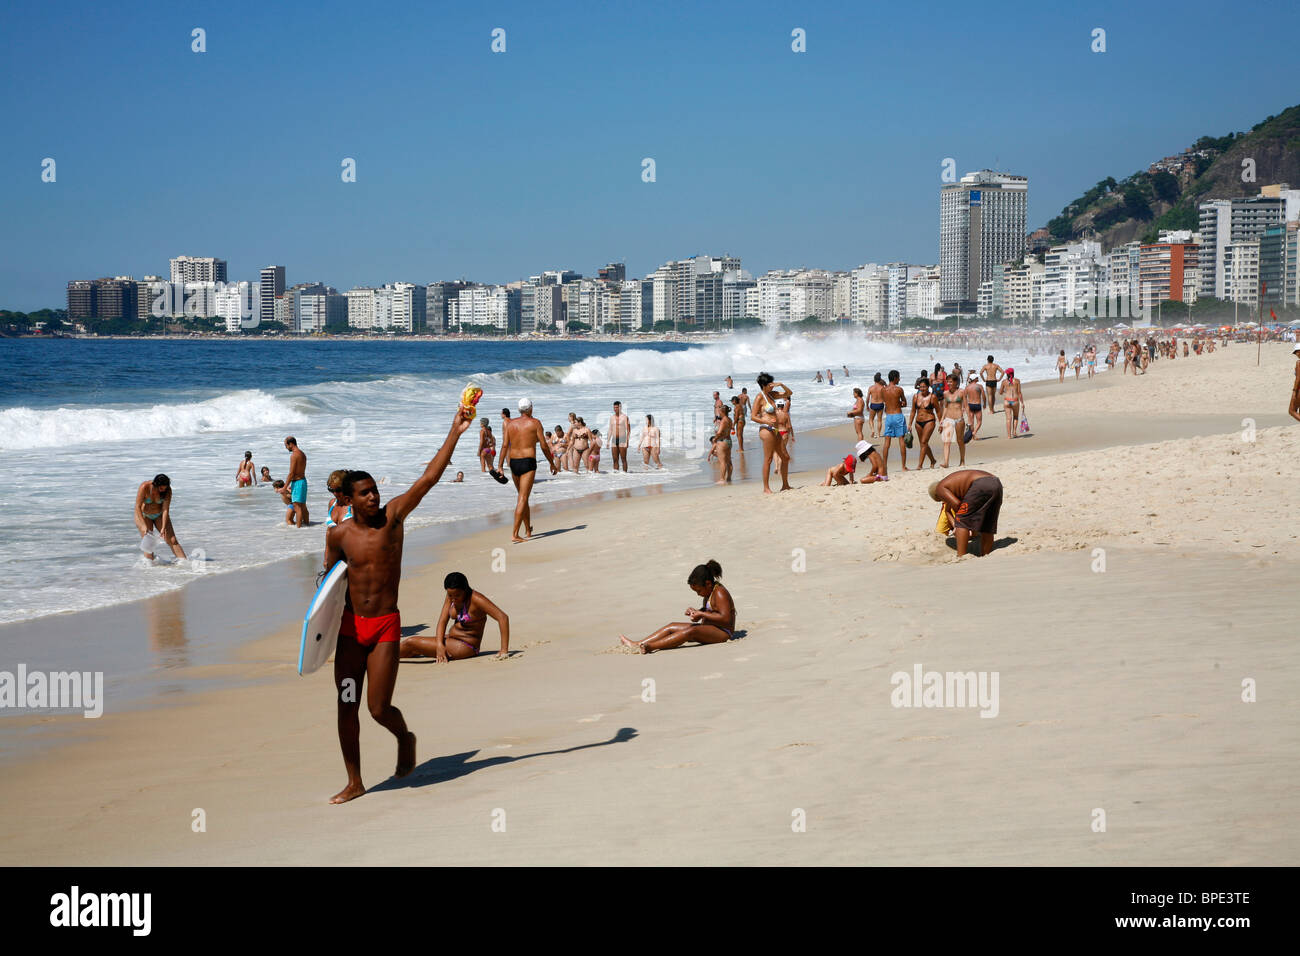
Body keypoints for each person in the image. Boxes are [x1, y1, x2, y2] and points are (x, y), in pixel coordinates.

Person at [322, 405, 474, 804]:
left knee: (377, 708)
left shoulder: (394, 517)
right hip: (351, 631)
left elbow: (429, 478)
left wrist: (455, 432)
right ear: (348, 499)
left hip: (385, 627)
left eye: (375, 489)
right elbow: (329, 585)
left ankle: (404, 736)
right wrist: (319, 632)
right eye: (365, 493)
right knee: (346, 706)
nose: (374, 496)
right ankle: (355, 781)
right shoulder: (338, 536)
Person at [619, 560, 735, 654]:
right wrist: (697, 612)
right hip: (711, 628)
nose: (698, 594)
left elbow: (726, 619)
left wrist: (702, 614)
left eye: (699, 590)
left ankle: (650, 647)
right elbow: (711, 611)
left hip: (723, 633)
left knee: (691, 631)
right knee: (671, 626)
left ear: (708, 584)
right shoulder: (709, 593)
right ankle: (637, 644)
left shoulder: (720, 592)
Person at [400, 571, 509, 662]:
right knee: (412, 649)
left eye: (457, 595)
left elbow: (502, 618)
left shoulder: (477, 600)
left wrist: (504, 650)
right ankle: (390, 656)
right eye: (450, 595)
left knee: (411, 642)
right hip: (451, 639)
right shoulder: (451, 595)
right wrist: (439, 644)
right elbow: (442, 621)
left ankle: (385, 657)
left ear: (465, 589)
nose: (453, 599)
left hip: (465, 646)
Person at [502, 398, 560, 543]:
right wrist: (551, 463)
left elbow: (504, 446)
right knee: (522, 498)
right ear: (530, 409)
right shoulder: (535, 423)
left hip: (513, 462)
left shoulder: (510, 424)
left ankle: (528, 530)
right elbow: (543, 446)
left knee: (523, 497)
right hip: (528, 461)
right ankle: (514, 534)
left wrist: (499, 466)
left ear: (519, 410)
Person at [929, 470, 1003, 558]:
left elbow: (957, 505)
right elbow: (948, 510)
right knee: (987, 523)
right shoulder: (952, 486)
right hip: (996, 483)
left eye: (941, 499)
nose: (943, 501)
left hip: (980, 484)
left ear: (938, 495)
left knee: (962, 520)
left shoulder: (939, 489)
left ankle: (961, 556)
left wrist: (958, 523)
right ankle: (986, 555)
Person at [752, 372, 793, 493]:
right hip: (766, 429)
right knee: (768, 459)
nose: (772, 385)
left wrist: (781, 385)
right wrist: (765, 421)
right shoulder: (760, 397)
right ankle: (766, 488)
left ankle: (785, 485)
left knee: (785, 457)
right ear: (764, 385)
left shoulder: (772, 395)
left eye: (772, 383)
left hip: (775, 429)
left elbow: (789, 393)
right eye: (770, 384)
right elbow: (753, 416)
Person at [134, 473, 186, 561]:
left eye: (165, 488)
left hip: (159, 515)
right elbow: (137, 507)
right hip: (144, 515)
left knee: (172, 540)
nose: (163, 490)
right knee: (148, 542)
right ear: (155, 485)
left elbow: (165, 509)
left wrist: (163, 527)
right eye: (161, 488)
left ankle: (185, 564)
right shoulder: (145, 487)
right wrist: (143, 525)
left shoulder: (167, 491)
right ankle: (149, 567)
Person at [879, 370, 908, 473]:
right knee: (901, 440)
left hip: (889, 417)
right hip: (898, 415)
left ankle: (885, 466)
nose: (899, 379)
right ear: (895, 378)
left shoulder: (883, 390)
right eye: (898, 377)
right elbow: (905, 403)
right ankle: (903, 466)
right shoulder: (899, 389)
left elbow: (885, 402)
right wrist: (899, 403)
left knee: (887, 442)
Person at [909, 379, 938, 468]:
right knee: (923, 443)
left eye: (924, 387)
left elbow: (938, 411)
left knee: (924, 441)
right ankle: (932, 460)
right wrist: (909, 424)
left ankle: (920, 465)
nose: (922, 388)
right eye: (921, 387)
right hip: (918, 422)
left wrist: (941, 423)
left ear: (928, 386)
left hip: (929, 421)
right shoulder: (915, 396)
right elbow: (913, 411)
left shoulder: (933, 397)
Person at [940, 377, 966, 468]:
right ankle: (946, 462)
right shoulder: (945, 393)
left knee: (960, 441)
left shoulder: (961, 392)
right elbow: (945, 407)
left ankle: (962, 461)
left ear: (955, 382)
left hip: (959, 419)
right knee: (946, 441)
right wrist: (942, 419)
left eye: (950, 381)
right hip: (948, 419)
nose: (949, 383)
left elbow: (966, 405)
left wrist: (970, 421)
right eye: (948, 382)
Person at [283, 435, 308, 528]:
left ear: (291, 444)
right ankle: (307, 525)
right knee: (303, 507)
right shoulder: (302, 454)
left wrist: (284, 487)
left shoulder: (294, 455)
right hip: (302, 481)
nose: (286, 447)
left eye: (286, 445)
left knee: (297, 507)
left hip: (297, 482)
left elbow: (291, 473)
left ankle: (299, 529)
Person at [999, 368, 1025, 438]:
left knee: (1008, 419)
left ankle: (1008, 435)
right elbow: (1019, 393)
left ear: (1007, 374)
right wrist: (1022, 403)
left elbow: (1000, 392)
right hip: (1015, 400)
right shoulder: (1017, 381)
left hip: (1007, 400)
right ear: (1013, 373)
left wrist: (1006, 391)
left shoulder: (1004, 381)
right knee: (1015, 417)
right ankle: (1014, 432)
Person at [713, 405, 734, 483]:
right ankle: (729, 478)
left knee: (722, 462)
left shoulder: (723, 420)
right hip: (729, 440)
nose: (718, 413)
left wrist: (715, 438)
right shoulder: (729, 419)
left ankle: (722, 479)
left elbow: (719, 432)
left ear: (722, 411)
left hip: (722, 441)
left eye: (719, 411)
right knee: (729, 461)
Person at [609, 401, 630, 472]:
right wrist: (608, 441)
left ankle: (625, 474)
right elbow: (610, 430)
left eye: (617, 407)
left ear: (620, 407)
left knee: (623, 459)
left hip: (622, 439)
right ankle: (616, 476)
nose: (615, 409)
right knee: (615, 459)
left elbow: (629, 431)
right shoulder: (612, 418)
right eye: (614, 407)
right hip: (614, 439)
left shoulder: (625, 417)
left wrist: (627, 441)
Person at [964, 372, 984, 440]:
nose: (978, 378)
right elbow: (984, 396)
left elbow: (964, 397)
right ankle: (974, 433)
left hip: (970, 405)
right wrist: (984, 403)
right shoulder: (979, 386)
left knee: (971, 422)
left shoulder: (967, 387)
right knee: (979, 422)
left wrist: (965, 406)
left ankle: (973, 436)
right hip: (977, 405)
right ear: (974, 379)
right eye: (977, 378)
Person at [867, 373, 885, 439]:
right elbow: (885, 397)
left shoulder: (871, 388)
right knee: (879, 420)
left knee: (871, 419)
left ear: (874, 380)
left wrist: (866, 405)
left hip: (873, 404)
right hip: (880, 404)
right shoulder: (882, 388)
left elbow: (868, 398)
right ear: (880, 380)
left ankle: (872, 430)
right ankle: (879, 434)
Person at [1290, 345, 1300, 423]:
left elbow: (1298, 378)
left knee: (1292, 410)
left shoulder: (1299, 362)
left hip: (1299, 389)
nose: (1296, 354)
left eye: (1296, 352)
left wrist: (1294, 391)